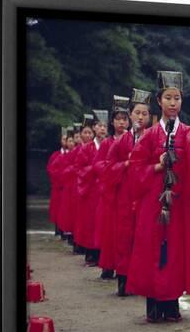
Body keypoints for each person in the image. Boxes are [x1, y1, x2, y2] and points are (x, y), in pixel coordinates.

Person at [126, 71, 190, 322]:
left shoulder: (188, 132)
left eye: (178, 98)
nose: (174, 103)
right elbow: (136, 171)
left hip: (178, 205)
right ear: (159, 101)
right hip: (153, 204)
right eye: (169, 98)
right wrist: (158, 166)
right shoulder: (150, 136)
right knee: (152, 252)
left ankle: (172, 304)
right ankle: (153, 305)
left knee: (175, 253)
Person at [105, 88, 152, 295]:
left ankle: (141, 281)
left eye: (144, 113)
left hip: (144, 195)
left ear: (149, 117)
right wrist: (124, 165)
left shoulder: (152, 138)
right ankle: (123, 280)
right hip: (125, 195)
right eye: (137, 113)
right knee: (124, 237)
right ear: (131, 114)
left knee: (143, 239)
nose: (140, 117)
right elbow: (108, 166)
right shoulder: (121, 141)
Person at [97, 96, 131, 280]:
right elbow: (100, 166)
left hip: (128, 192)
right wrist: (120, 168)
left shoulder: (133, 140)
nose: (122, 122)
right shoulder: (107, 143)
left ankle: (125, 269)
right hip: (112, 192)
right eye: (118, 119)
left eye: (125, 119)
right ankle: (109, 265)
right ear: (112, 121)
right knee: (111, 232)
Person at [73, 110, 108, 266]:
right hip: (91, 190)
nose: (102, 129)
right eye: (99, 126)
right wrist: (94, 169)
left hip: (105, 189)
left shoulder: (109, 145)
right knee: (90, 223)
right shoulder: (86, 148)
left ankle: (102, 254)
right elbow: (79, 169)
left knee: (103, 224)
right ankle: (90, 254)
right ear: (94, 128)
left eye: (104, 126)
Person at [46, 131, 69, 236]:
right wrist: (60, 179)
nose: (66, 142)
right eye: (64, 139)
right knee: (57, 208)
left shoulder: (72, 154)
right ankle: (57, 229)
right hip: (58, 187)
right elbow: (51, 170)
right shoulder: (55, 155)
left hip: (67, 186)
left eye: (67, 139)